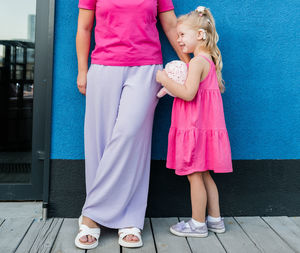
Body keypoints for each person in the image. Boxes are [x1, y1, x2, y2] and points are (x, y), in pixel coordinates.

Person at [74, 0, 190, 249]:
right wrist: (82, 71)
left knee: (131, 138)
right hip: (103, 67)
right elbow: (84, 28)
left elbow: (170, 25)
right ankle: (94, 222)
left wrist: (191, 65)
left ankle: (119, 217)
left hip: (146, 68)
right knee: (99, 141)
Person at [156, 6, 233, 237]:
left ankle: (198, 224)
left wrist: (164, 80)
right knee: (205, 174)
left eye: (182, 35)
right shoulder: (208, 61)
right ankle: (215, 220)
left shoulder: (197, 63)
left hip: (194, 128)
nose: (178, 40)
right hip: (204, 129)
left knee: (195, 175)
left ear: (199, 35)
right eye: (177, 35)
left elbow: (188, 94)